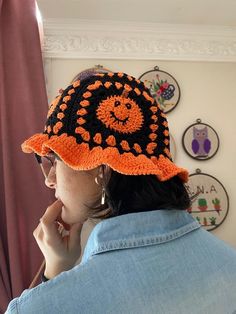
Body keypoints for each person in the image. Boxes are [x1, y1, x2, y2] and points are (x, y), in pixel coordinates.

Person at [5, 71, 236, 314]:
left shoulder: (38, 308)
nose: (49, 181)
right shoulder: (229, 265)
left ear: (103, 168)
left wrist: (53, 277)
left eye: (54, 160)